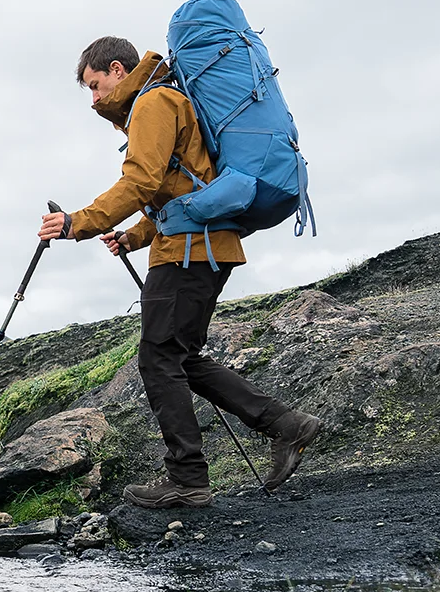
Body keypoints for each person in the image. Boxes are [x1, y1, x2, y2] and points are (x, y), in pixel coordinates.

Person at [36, 37, 322, 508]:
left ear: (117, 69)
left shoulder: (154, 102)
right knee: (179, 357)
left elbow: (140, 181)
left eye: (95, 85)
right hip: (199, 246)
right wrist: (134, 236)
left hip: (188, 253)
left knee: (158, 359)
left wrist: (77, 223)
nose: (94, 98)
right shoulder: (163, 100)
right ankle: (285, 426)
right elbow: (182, 187)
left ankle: (187, 479)